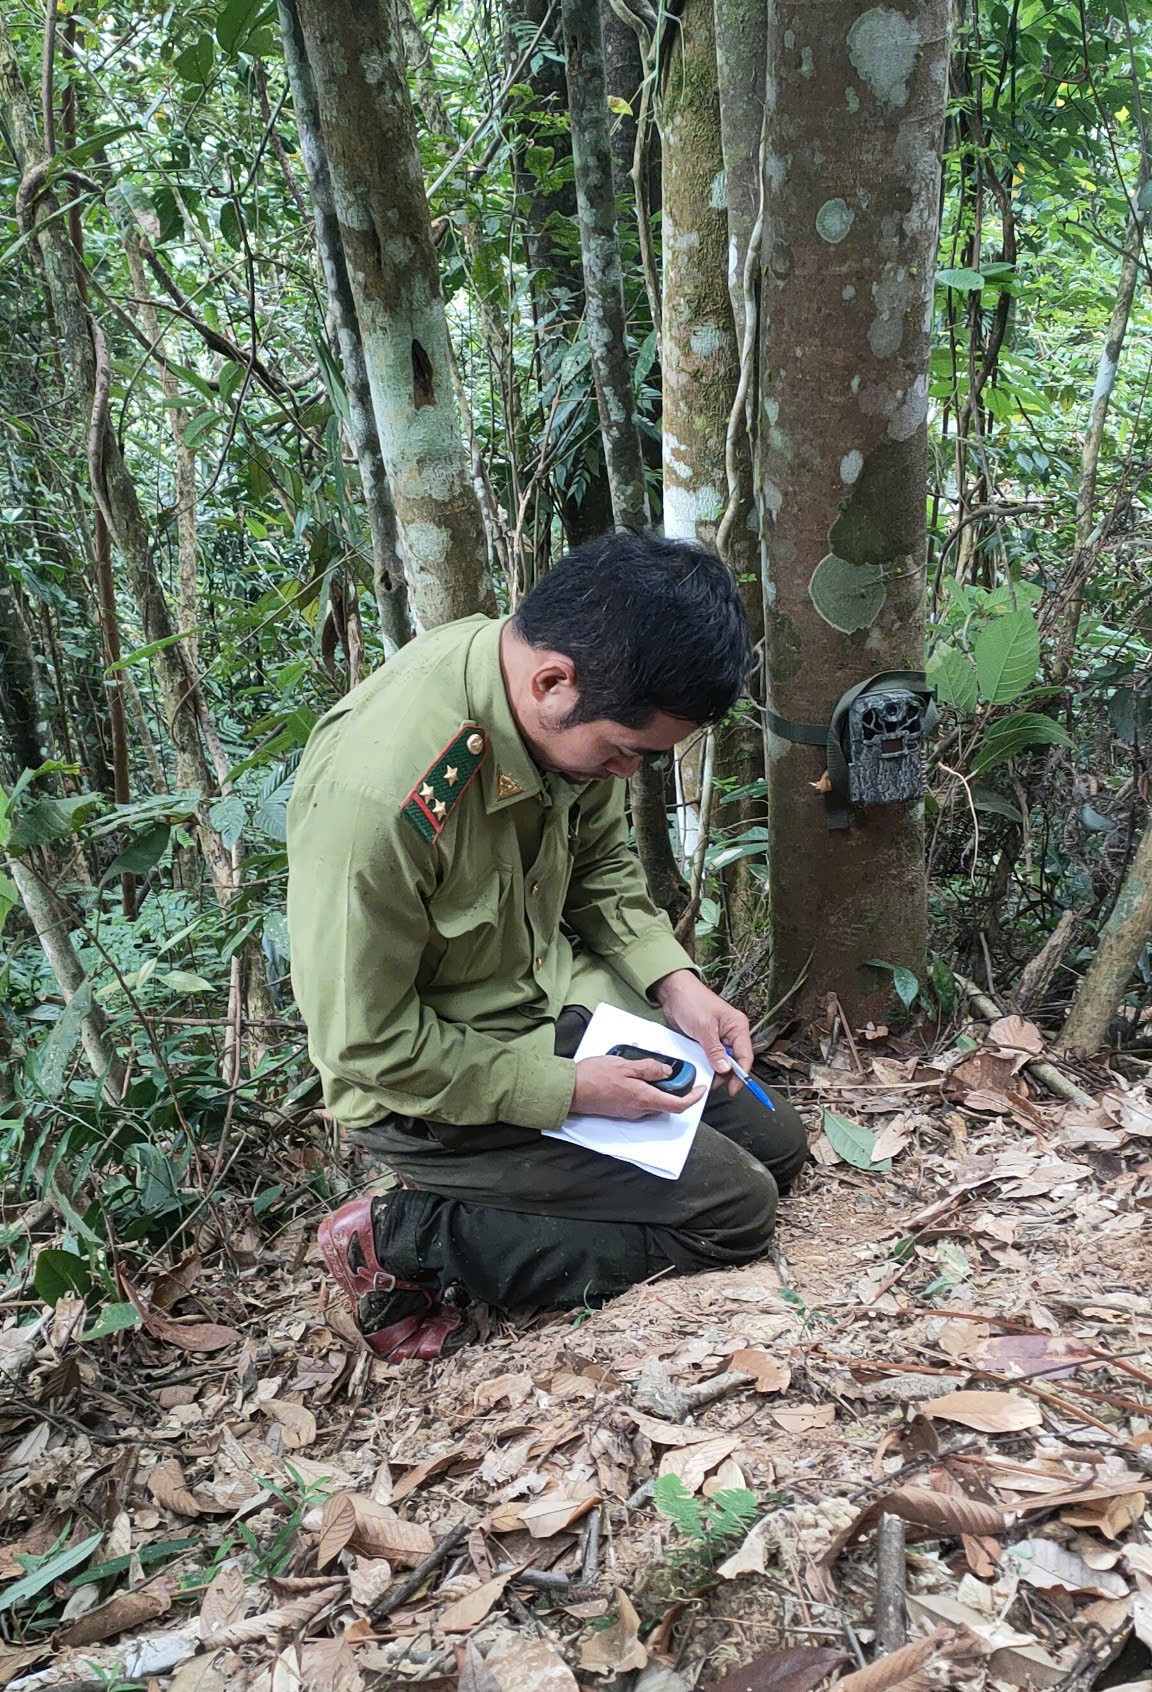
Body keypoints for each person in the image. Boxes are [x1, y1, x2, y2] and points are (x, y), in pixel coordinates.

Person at [286, 531, 807, 1360]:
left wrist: (674, 981)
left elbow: (600, 864)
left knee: (781, 1151)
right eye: (625, 753)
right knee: (735, 1212)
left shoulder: (559, 709)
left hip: (551, 1005)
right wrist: (567, 1090)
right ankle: (405, 1236)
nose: (629, 776)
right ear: (552, 683)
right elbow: (364, 1046)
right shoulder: (380, 800)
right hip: (423, 1088)